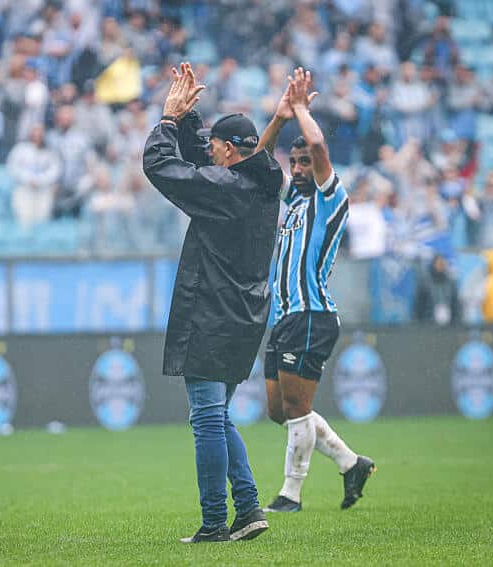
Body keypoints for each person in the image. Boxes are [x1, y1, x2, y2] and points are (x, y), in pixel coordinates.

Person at [142, 62, 281, 544]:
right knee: (217, 415)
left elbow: (162, 168)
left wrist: (165, 123)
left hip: (213, 316)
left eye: (216, 148)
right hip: (243, 317)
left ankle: (214, 522)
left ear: (229, 152)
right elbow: (208, 155)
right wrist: (187, 119)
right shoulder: (259, 185)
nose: (211, 154)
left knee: (205, 418)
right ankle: (247, 509)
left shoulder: (227, 190)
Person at [259, 68, 375, 514]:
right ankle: (351, 463)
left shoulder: (331, 198)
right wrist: (281, 115)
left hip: (312, 313)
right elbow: (262, 160)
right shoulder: (292, 200)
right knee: (280, 409)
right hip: (285, 315)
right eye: (295, 162)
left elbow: (321, 146)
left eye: (305, 162)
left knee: (297, 407)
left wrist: (304, 109)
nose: (299, 168)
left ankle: (291, 494)